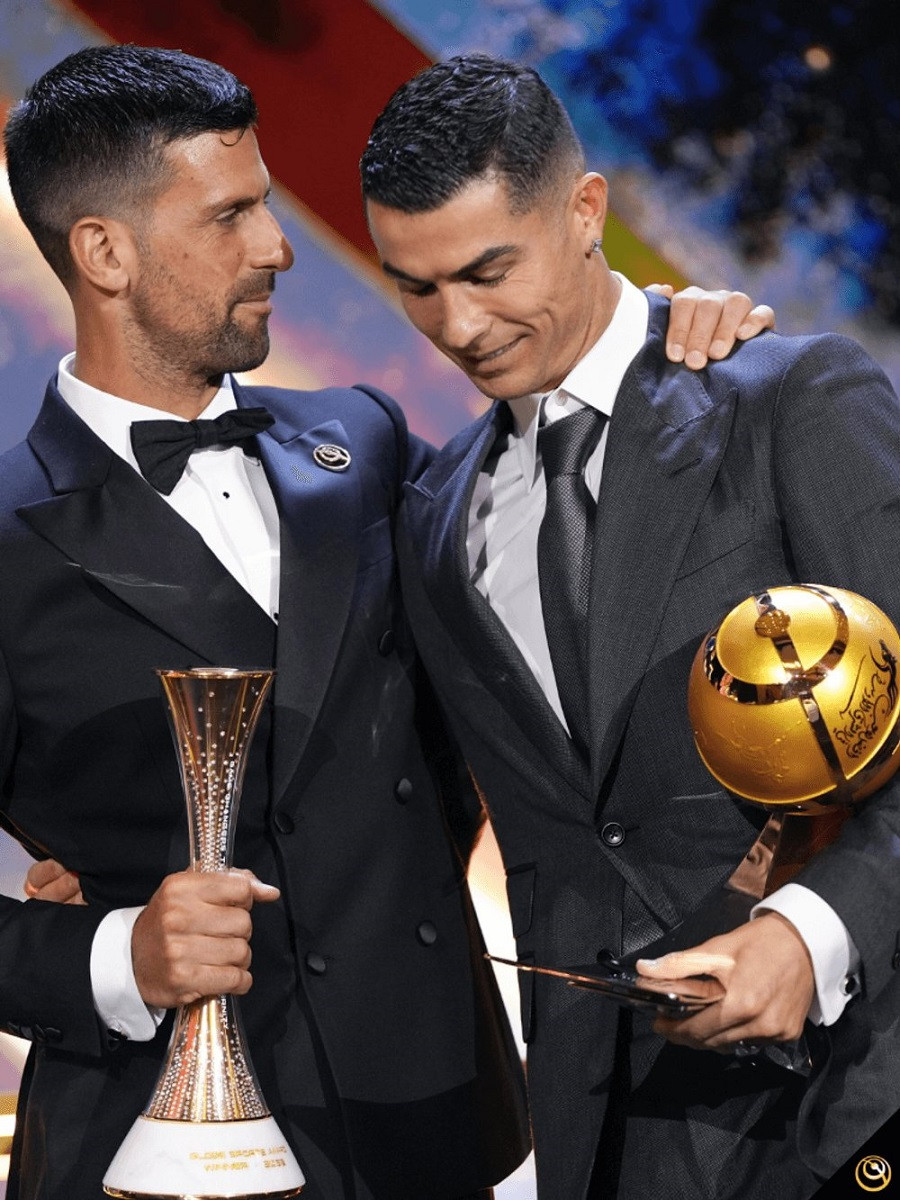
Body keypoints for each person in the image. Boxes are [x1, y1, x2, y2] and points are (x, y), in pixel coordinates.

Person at [0, 44, 763, 1200]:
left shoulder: (360, 443)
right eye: (231, 215)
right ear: (105, 252)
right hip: (158, 1151)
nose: (278, 245)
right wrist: (114, 954)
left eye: (266, 202)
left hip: (438, 1126)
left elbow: (554, 578)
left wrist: (654, 347)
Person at [359, 54, 900, 1200]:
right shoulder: (430, 520)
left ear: (585, 211)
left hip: (855, 1102)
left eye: (488, 271)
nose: (459, 324)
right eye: (416, 287)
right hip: (608, 1137)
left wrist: (815, 932)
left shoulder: (785, 398)